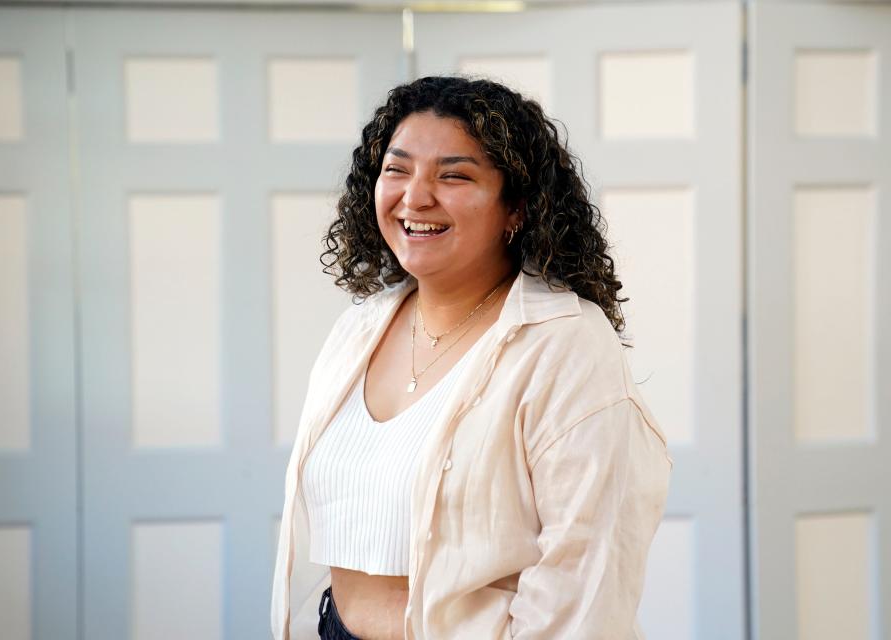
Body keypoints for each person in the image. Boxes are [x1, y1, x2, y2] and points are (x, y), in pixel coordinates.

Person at [271, 76, 673, 640]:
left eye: (454, 175)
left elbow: (587, 572)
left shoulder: (564, 342)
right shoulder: (359, 329)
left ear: (517, 208)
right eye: (397, 169)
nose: (415, 197)